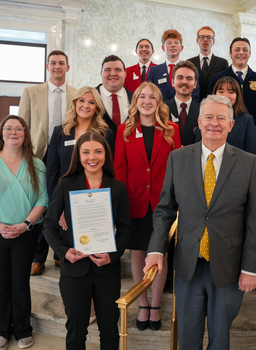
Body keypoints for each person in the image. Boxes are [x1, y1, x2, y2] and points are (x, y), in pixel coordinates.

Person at [144, 94, 256, 349]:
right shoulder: (178, 158)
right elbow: (165, 209)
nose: (214, 123)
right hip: (188, 265)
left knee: (220, 339)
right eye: (208, 117)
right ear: (199, 122)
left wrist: (250, 268)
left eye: (222, 118)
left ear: (231, 125)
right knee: (187, 338)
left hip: (229, 268)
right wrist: (156, 250)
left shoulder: (249, 163)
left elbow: (255, 219)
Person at [43, 132, 131, 350]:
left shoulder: (117, 187)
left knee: (110, 330)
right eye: (86, 152)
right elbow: (48, 225)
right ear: (78, 156)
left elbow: (126, 230)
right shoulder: (65, 184)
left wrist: (112, 256)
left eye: (98, 151)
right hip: (74, 269)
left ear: (105, 155)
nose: (93, 157)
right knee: (75, 332)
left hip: (107, 271)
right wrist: (64, 251)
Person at [114, 82, 181, 331]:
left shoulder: (171, 130)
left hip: (164, 204)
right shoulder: (125, 130)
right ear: (136, 101)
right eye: (142, 96)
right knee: (138, 253)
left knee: (159, 254)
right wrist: (120, 205)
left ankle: (155, 304)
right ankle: (141, 303)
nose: (147, 101)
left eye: (152, 97)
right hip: (135, 203)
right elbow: (120, 171)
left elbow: (178, 169)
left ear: (159, 102)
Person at [18, 49, 76, 276]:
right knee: (41, 203)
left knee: (64, 201)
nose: (57, 67)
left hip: (66, 155)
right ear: (47, 67)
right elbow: (23, 124)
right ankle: (38, 256)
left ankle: (60, 251)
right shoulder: (32, 92)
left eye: (62, 63)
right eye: (53, 63)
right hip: (38, 155)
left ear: (68, 67)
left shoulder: (75, 93)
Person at [0, 115, 48, 350]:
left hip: (25, 232)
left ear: (25, 134)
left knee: (20, 282)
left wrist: (25, 225)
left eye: (19, 128)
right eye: (8, 128)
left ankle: (22, 329)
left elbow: (43, 198)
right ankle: (2, 330)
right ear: (2, 133)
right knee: (1, 283)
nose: (13, 132)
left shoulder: (36, 164)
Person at [47, 86, 114, 200]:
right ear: (74, 103)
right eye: (81, 100)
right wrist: (56, 205)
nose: (86, 106)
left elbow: (109, 169)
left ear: (97, 108)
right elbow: (52, 172)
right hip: (65, 196)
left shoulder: (106, 134)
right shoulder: (60, 132)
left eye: (91, 102)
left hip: (96, 195)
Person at [208, 37, 256, 125]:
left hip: (254, 129)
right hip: (223, 128)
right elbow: (210, 105)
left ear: (250, 54)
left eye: (245, 50)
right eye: (237, 50)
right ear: (230, 53)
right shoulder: (218, 78)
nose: (241, 53)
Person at [196, 76, 256, 154]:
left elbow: (251, 155)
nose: (225, 95)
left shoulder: (247, 120)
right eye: (221, 91)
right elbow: (197, 147)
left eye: (231, 92)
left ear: (237, 95)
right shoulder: (205, 116)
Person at [147, 29, 199, 102]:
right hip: (160, 111)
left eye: (176, 43)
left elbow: (195, 95)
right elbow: (149, 94)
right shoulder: (154, 71)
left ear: (181, 48)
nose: (173, 45)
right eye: (169, 43)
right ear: (163, 47)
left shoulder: (191, 70)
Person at [96, 55, 133, 141]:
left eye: (118, 70)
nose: (113, 74)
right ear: (101, 74)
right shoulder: (91, 97)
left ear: (125, 73)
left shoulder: (136, 98)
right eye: (107, 70)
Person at [187, 26, 229, 102]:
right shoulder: (189, 63)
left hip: (215, 103)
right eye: (202, 37)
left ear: (213, 41)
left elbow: (224, 86)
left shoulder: (223, 63)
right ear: (197, 40)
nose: (205, 40)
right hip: (193, 104)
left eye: (209, 37)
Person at [164, 61, 199, 146]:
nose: (184, 82)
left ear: (195, 84)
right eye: (180, 78)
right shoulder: (161, 108)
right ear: (173, 82)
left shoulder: (203, 110)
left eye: (189, 78)